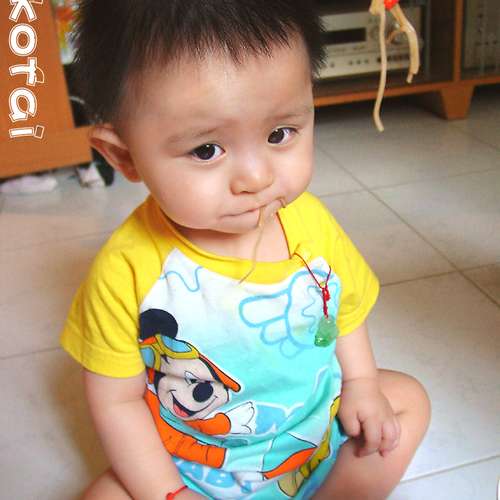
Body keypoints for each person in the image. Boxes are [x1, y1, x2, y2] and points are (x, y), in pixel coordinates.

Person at [60, 1, 431, 499]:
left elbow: (342, 311)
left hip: (312, 436)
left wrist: (361, 384)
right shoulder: (126, 269)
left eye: (279, 134)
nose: (257, 178)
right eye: (206, 150)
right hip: (192, 462)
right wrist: (169, 493)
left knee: (407, 400)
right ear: (124, 156)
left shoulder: (310, 224)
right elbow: (116, 402)